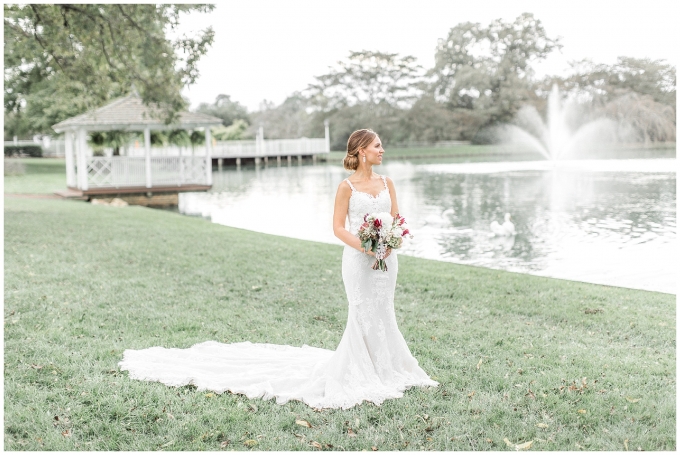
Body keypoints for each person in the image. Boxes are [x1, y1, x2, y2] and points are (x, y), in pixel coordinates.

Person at [119, 129, 437, 410]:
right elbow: (338, 228)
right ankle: (361, 370)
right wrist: (366, 247)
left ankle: (388, 367)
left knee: (384, 312)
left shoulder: (387, 182)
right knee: (362, 313)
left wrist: (390, 244)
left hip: (386, 261)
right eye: (377, 146)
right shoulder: (346, 187)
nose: (382, 150)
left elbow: (396, 218)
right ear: (361, 151)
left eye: (382, 146)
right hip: (358, 260)